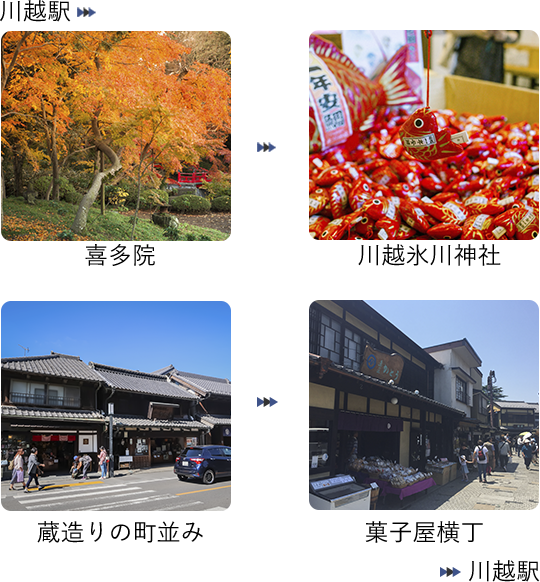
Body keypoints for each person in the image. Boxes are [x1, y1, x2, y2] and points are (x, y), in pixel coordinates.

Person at [446, 28, 521, 83]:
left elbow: (515, 34)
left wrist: (505, 35)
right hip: (466, 65)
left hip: (493, 68)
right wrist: (474, 30)